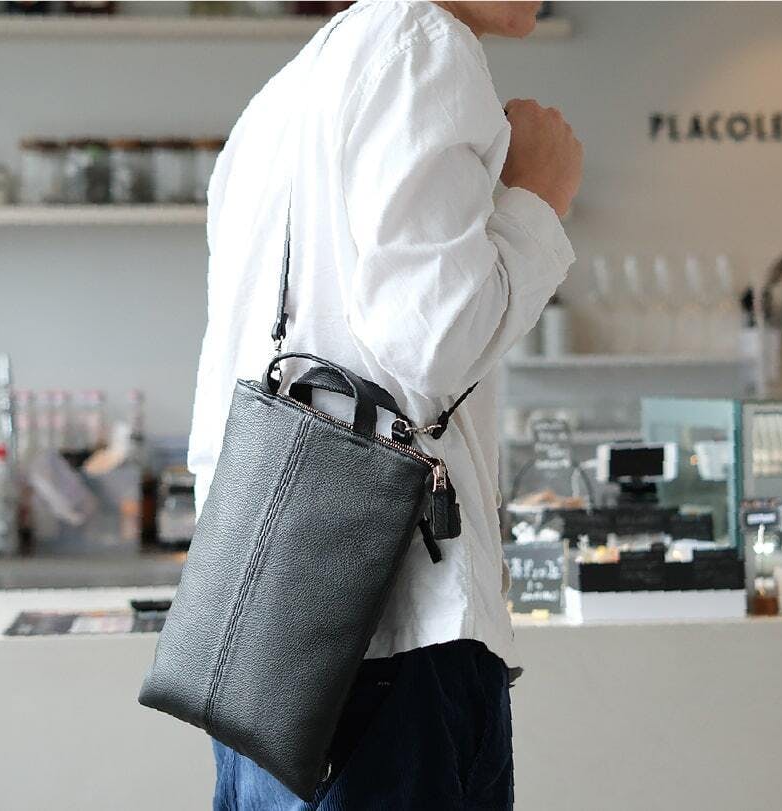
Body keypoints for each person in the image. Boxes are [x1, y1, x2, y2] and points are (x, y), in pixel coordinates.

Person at [188, 1, 582, 808]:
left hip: (266, 643)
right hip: (388, 635)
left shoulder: (283, 95)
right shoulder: (421, 42)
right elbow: (435, 339)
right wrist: (539, 196)